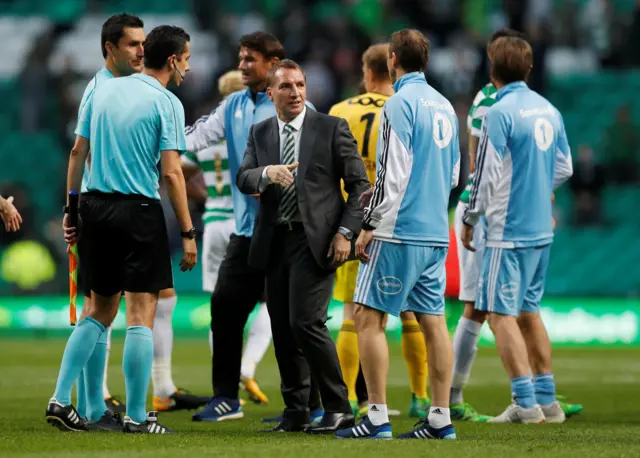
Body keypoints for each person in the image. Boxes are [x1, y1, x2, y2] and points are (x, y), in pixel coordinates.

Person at [46, 25, 196, 434]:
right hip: (137, 209)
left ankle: (61, 399)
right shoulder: (166, 102)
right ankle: (135, 416)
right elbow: (171, 173)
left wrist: (71, 209)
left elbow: (78, 152)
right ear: (172, 60)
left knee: (98, 310)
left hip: (94, 207)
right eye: (187, 57)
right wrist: (187, 231)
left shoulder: (103, 89)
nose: (188, 64)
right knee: (140, 315)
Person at [187, 32, 322, 423]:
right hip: (246, 233)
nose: (242, 65)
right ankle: (226, 397)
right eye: (241, 58)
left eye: (250, 59)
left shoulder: (297, 107)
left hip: (289, 234)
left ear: (273, 63)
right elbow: (195, 138)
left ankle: (308, 406)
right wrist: (159, 138)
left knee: (293, 322)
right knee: (225, 309)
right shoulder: (232, 105)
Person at [452, 29, 583, 421]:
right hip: (542, 226)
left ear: (493, 68)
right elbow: (565, 166)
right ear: (529, 67)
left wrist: (471, 218)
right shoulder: (548, 108)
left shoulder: (498, 112)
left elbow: (486, 175)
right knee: (529, 309)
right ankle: (549, 401)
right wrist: (536, 188)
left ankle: (524, 404)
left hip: (507, 228)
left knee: (498, 313)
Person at [336, 29, 459, 440]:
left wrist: (368, 225)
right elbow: (455, 173)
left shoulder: (399, 104)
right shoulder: (443, 105)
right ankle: (440, 418)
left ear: (392, 60)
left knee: (367, 317)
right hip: (435, 232)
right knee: (434, 322)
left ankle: (376, 417)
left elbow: (393, 172)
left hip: (398, 231)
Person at [237, 59, 369, 433]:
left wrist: (346, 233)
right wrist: (266, 174)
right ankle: (296, 409)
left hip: (318, 242)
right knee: (282, 327)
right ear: (270, 93)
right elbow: (244, 177)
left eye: (300, 85)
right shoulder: (260, 133)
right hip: (275, 239)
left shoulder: (331, 128)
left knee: (305, 322)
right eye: (286, 87)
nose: (295, 92)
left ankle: (339, 406)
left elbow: (360, 187)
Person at [329, 43, 429, 419]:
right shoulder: (408, 107)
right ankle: (420, 396)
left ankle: (352, 402)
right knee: (412, 315)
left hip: (354, 223)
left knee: (353, 316)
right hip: (403, 222)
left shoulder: (341, 110)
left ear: (368, 72)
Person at [181, 69, 272, 405]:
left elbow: (179, 171)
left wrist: (203, 198)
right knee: (267, 300)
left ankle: (225, 380)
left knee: (219, 306)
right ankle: (247, 366)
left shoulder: (210, 133)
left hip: (214, 221)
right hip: (244, 223)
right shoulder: (248, 129)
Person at [72, 12, 146, 425]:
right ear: (109, 49)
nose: (141, 50)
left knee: (103, 309)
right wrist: (74, 208)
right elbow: (80, 152)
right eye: (133, 44)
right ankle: (88, 405)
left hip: (101, 209)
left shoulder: (118, 86)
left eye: (143, 43)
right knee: (100, 309)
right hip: (106, 209)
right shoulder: (100, 90)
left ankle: (91, 403)